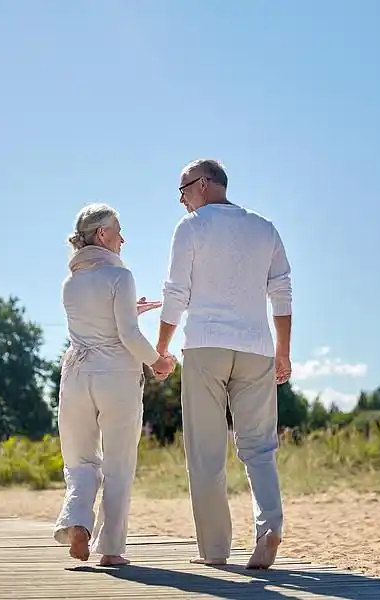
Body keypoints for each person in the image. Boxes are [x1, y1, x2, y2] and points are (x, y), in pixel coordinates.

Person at [155, 159, 293, 570]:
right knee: (260, 447)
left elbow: (175, 292)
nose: (181, 200)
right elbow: (282, 291)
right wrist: (283, 351)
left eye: (183, 190)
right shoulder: (265, 228)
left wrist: (161, 347)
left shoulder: (191, 228)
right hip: (257, 348)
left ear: (203, 184)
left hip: (205, 345)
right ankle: (269, 527)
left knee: (205, 452)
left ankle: (214, 550)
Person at [53, 202, 176, 567]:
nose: (123, 239)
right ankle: (110, 549)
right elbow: (127, 335)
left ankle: (77, 522)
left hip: (76, 377)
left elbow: (95, 326)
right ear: (103, 234)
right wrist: (158, 361)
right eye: (119, 232)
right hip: (117, 378)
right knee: (118, 463)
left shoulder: (70, 283)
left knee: (80, 460)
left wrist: (129, 311)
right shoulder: (120, 276)